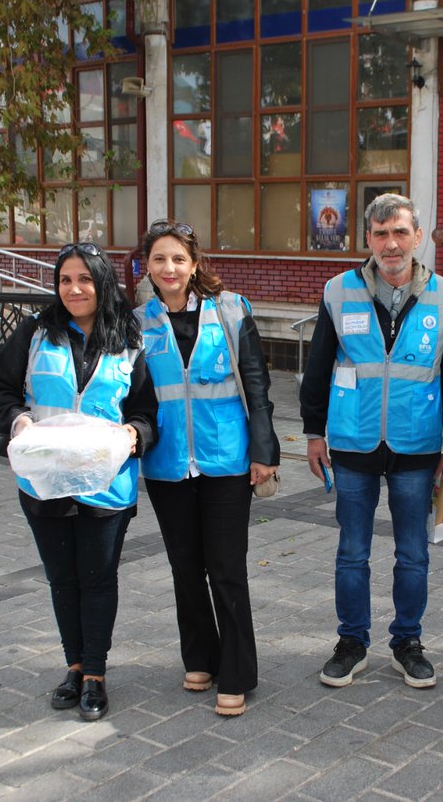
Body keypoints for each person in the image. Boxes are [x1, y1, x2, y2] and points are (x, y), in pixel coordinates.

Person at [0, 242, 159, 721]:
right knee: (62, 579)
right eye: (65, 280)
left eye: (84, 279)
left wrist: (133, 432)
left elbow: (147, 411)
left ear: (102, 284)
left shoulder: (130, 338)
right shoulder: (36, 333)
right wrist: (17, 421)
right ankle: (74, 666)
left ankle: (97, 674)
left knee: (97, 578)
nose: (74, 289)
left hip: (107, 484)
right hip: (45, 482)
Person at [301, 193, 443, 690]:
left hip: (417, 446)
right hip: (352, 444)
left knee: (413, 553)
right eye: (380, 234)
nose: (390, 244)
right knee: (352, 551)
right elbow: (318, 367)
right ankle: (352, 642)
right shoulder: (338, 291)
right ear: (367, 239)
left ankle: (407, 643)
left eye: (400, 232)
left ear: (418, 237)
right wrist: (313, 432)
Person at [137, 219, 279, 718]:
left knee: (226, 569)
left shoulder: (231, 310)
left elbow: (256, 384)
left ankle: (237, 671)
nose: (169, 268)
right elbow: (132, 396)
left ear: (194, 263)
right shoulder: (138, 323)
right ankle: (198, 656)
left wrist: (264, 451)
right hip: (166, 464)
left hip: (226, 461)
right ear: (147, 267)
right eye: (159, 259)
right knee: (184, 569)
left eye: (178, 258)